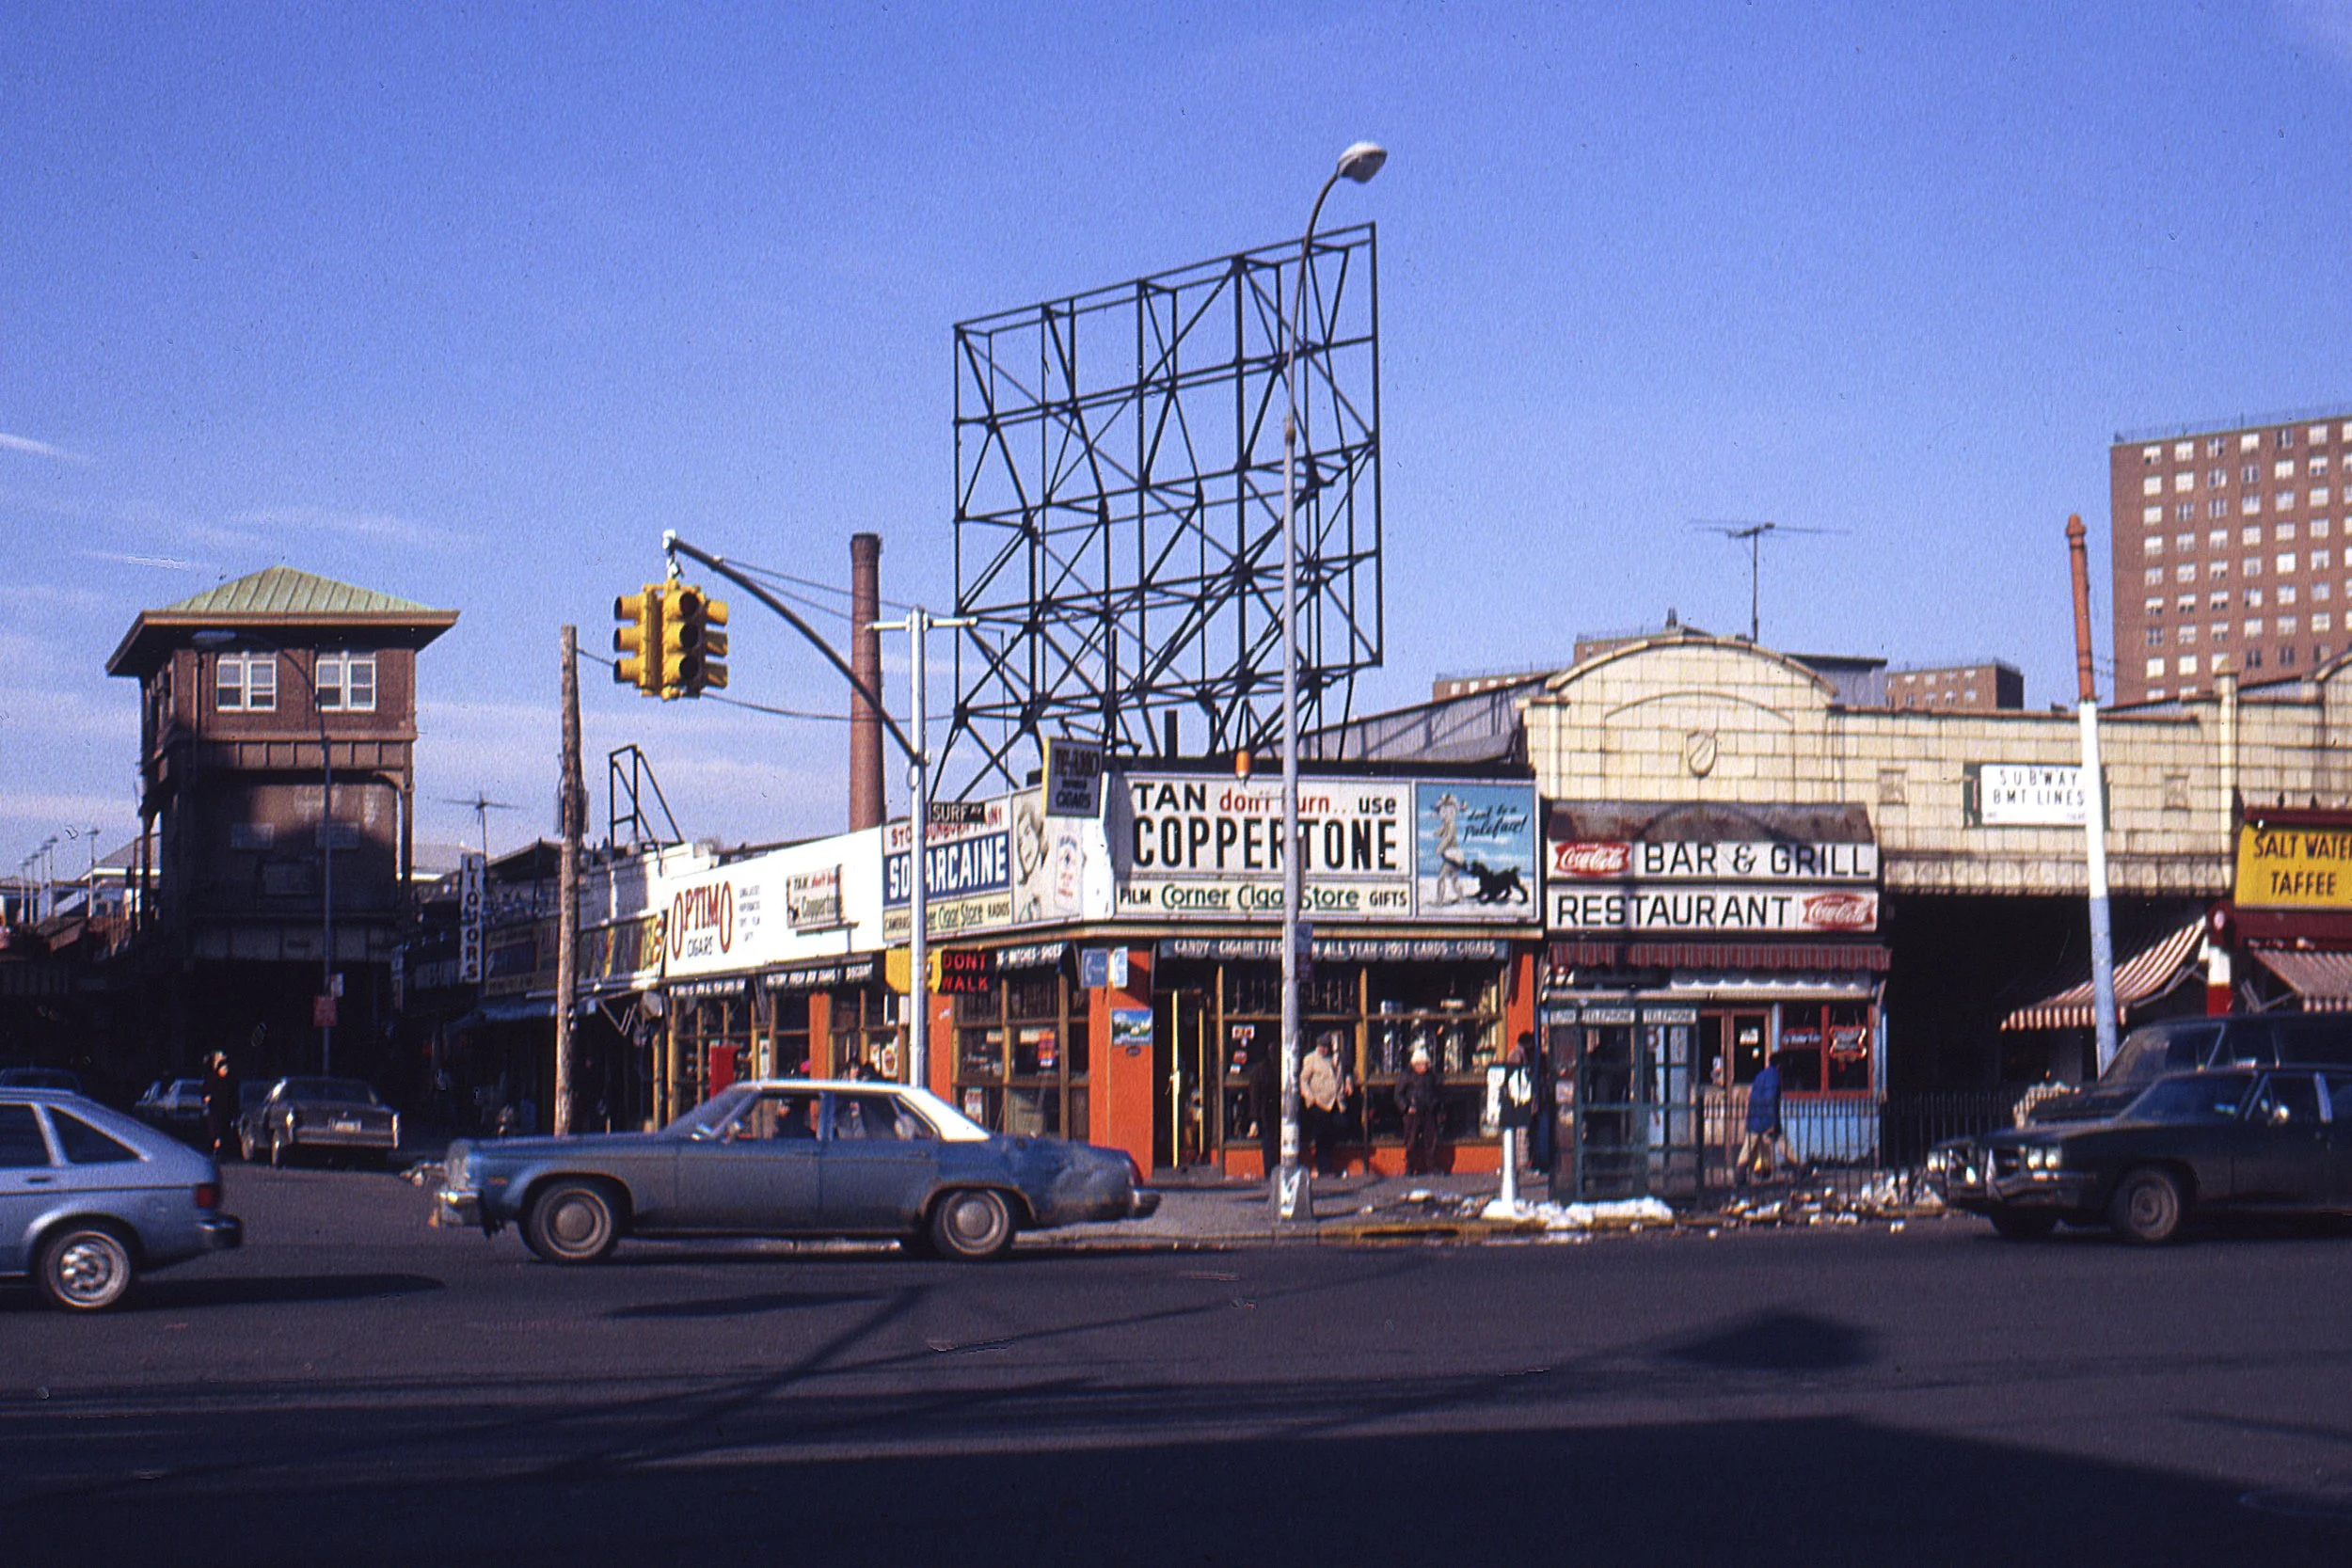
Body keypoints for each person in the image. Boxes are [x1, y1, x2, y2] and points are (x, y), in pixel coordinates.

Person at [1300, 1037, 1348, 1176]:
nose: (1324, 1050)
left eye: (1327, 1047)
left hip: (1335, 1103)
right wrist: (1310, 1098)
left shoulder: (1335, 1059)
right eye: (1322, 1047)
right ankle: (1323, 1168)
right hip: (1319, 1103)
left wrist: (1347, 1083)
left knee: (1332, 1133)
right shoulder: (1311, 1059)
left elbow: (1342, 1075)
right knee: (1321, 1137)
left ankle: (1328, 1165)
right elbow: (1303, 1080)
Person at [1736, 1053, 1786, 1185]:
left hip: (1755, 1117)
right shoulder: (1774, 1077)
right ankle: (1800, 1169)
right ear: (1779, 1065)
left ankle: (1739, 1175)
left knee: (1748, 1146)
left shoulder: (1760, 1075)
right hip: (1766, 1119)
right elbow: (1770, 1099)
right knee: (1782, 1143)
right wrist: (1773, 1121)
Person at [1395, 1043, 1444, 1176]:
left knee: (1431, 1140)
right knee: (1411, 1141)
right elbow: (1398, 1094)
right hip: (1413, 1112)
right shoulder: (1407, 1075)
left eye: (1425, 1064)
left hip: (1428, 1111)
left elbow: (1437, 1091)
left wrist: (1435, 1105)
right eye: (1421, 1064)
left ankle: (1432, 1166)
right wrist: (1406, 1107)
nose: (1424, 1067)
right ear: (1414, 1064)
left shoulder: (1430, 1076)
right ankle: (1410, 1167)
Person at [1524, 1030, 1557, 1181]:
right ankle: (1539, 1160)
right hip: (1539, 1101)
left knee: (1536, 1132)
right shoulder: (1536, 1057)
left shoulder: (1533, 1057)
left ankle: (1538, 1160)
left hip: (1537, 1101)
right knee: (1537, 1131)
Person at [202, 1051, 239, 1161]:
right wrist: (206, 1098)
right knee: (214, 1132)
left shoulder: (230, 1082)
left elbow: (234, 1097)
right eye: (223, 1069)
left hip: (226, 1112)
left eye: (226, 1069)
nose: (225, 1071)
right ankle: (214, 1150)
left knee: (224, 1133)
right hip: (214, 1112)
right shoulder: (212, 1079)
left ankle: (221, 1152)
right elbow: (205, 1091)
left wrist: (235, 1110)